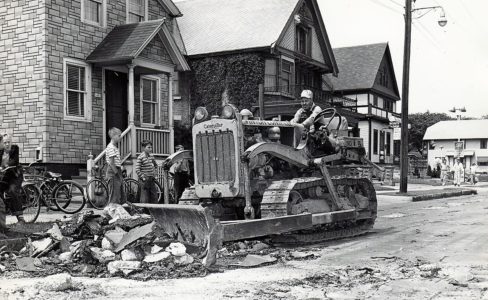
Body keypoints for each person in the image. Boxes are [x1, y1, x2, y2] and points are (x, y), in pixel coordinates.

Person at [0, 134, 25, 224]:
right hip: (5, 175)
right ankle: (5, 209)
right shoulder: (1, 151)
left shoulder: (15, 148)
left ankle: (20, 217)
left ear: (11, 142)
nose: (7, 144)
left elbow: (15, 161)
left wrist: (5, 166)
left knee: (13, 190)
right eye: (5, 142)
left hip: (15, 175)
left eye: (8, 142)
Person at [105, 127, 125, 204]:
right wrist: (117, 174)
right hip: (113, 172)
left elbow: (116, 162)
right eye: (119, 136)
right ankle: (111, 213)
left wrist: (121, 168)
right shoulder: (110, 147)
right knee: (114, 196)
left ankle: (117, 212)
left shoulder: (115, 147)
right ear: (113, 136)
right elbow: (111, 163)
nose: (120, 137)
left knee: (121, 196)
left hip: (117, 170)